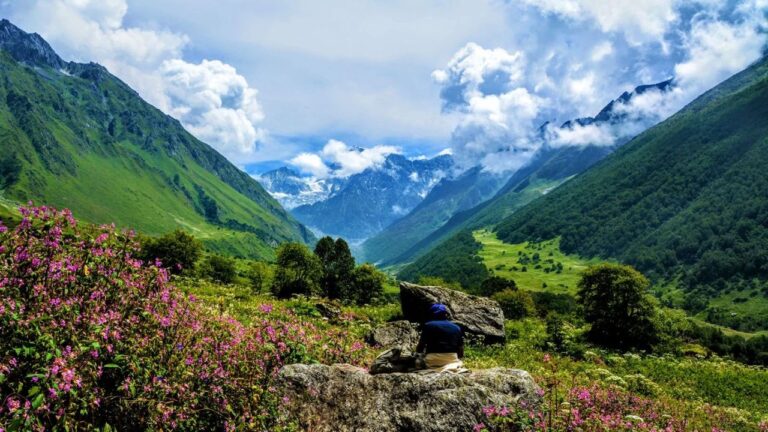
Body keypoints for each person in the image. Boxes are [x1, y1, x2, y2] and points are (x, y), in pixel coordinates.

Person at [416, 303, 466, 372]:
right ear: (446, 314)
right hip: (451, 359)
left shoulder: (428, 325)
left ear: (432, 314)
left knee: (418, 360)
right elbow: (461, 350)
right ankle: (451, 366)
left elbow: (420, 347)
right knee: (458, 362)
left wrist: (418, 354)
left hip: (432, 360)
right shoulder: (457, 327)